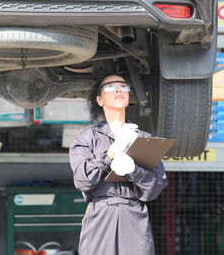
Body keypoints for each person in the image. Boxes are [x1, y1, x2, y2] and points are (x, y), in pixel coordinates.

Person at [69, 74, 168, 255]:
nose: (118, 90)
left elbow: (155, 188)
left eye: (123, 87)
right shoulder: (86, 139)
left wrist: (134, 171)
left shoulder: (143, 139)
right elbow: (83, 181)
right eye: (110, 87)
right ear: (99, 99)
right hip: (100, 216)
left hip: (134, 217)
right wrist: (110, 154)